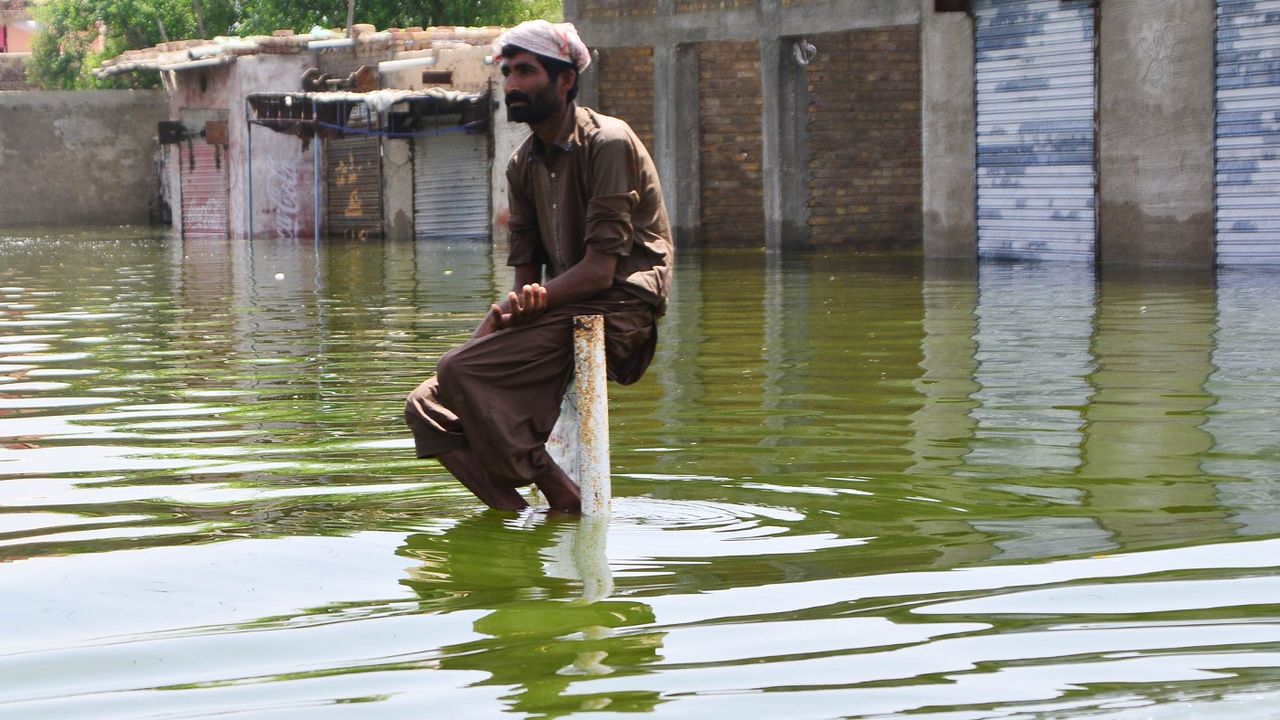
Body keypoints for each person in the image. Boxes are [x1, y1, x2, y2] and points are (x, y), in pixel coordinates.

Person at [404, 20, 673, 513]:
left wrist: (533, 303)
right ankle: (517, 516)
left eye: (525, 72)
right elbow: (526, 279)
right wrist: (508, 311)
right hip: (563, 308)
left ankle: (558, 493)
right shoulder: (521, 163)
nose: (511, 85)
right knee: (425, 406)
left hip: (619, 307)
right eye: (507, 72)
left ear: (565, 80)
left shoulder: (609, 142)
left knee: (457, 368)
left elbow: (597, 271)